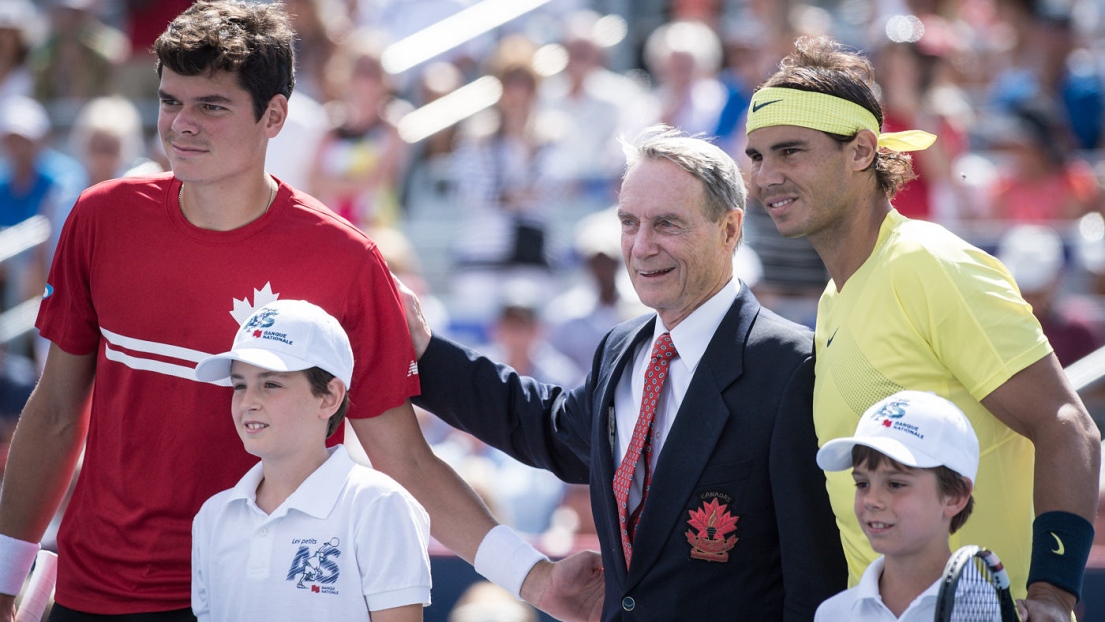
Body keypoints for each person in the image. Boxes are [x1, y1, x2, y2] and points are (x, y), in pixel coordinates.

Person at [0, 3, 601, 621]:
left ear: (275, 115)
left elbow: (404, 454)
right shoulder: (100, 218)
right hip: (93, 591)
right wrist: (3, 577)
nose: (181, 124)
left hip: (265, 601)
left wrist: (532, 579)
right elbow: (52, 413)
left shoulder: (346, 260)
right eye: (169, 101)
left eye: (211, 105)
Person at [400, 124, 847, 620]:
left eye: (667, 224)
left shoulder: (790, 366)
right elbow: (545, 427)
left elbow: (815, 582)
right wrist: (426, 353)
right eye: (629, 222)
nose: (641, 245)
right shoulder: (623, 349)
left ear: (729, 229)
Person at [742, 35, 1101, 622]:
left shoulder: (928, 263)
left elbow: (1067, 426)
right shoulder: (836, 298)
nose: (766, 177)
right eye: (757, 157)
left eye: (790, 152)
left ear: (861, 151)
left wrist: (1054, 593)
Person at [191, 299, 430, 621]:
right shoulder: (213, 517)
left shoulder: (379, 505)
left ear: (329, 397)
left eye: (271, 384)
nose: (247, 402)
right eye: (239, 385)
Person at [813, 390, 980, 621]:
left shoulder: (991, 611)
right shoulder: (832, 614)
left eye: (895, 484)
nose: (871, 500)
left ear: (954, 496)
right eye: (862, 483)